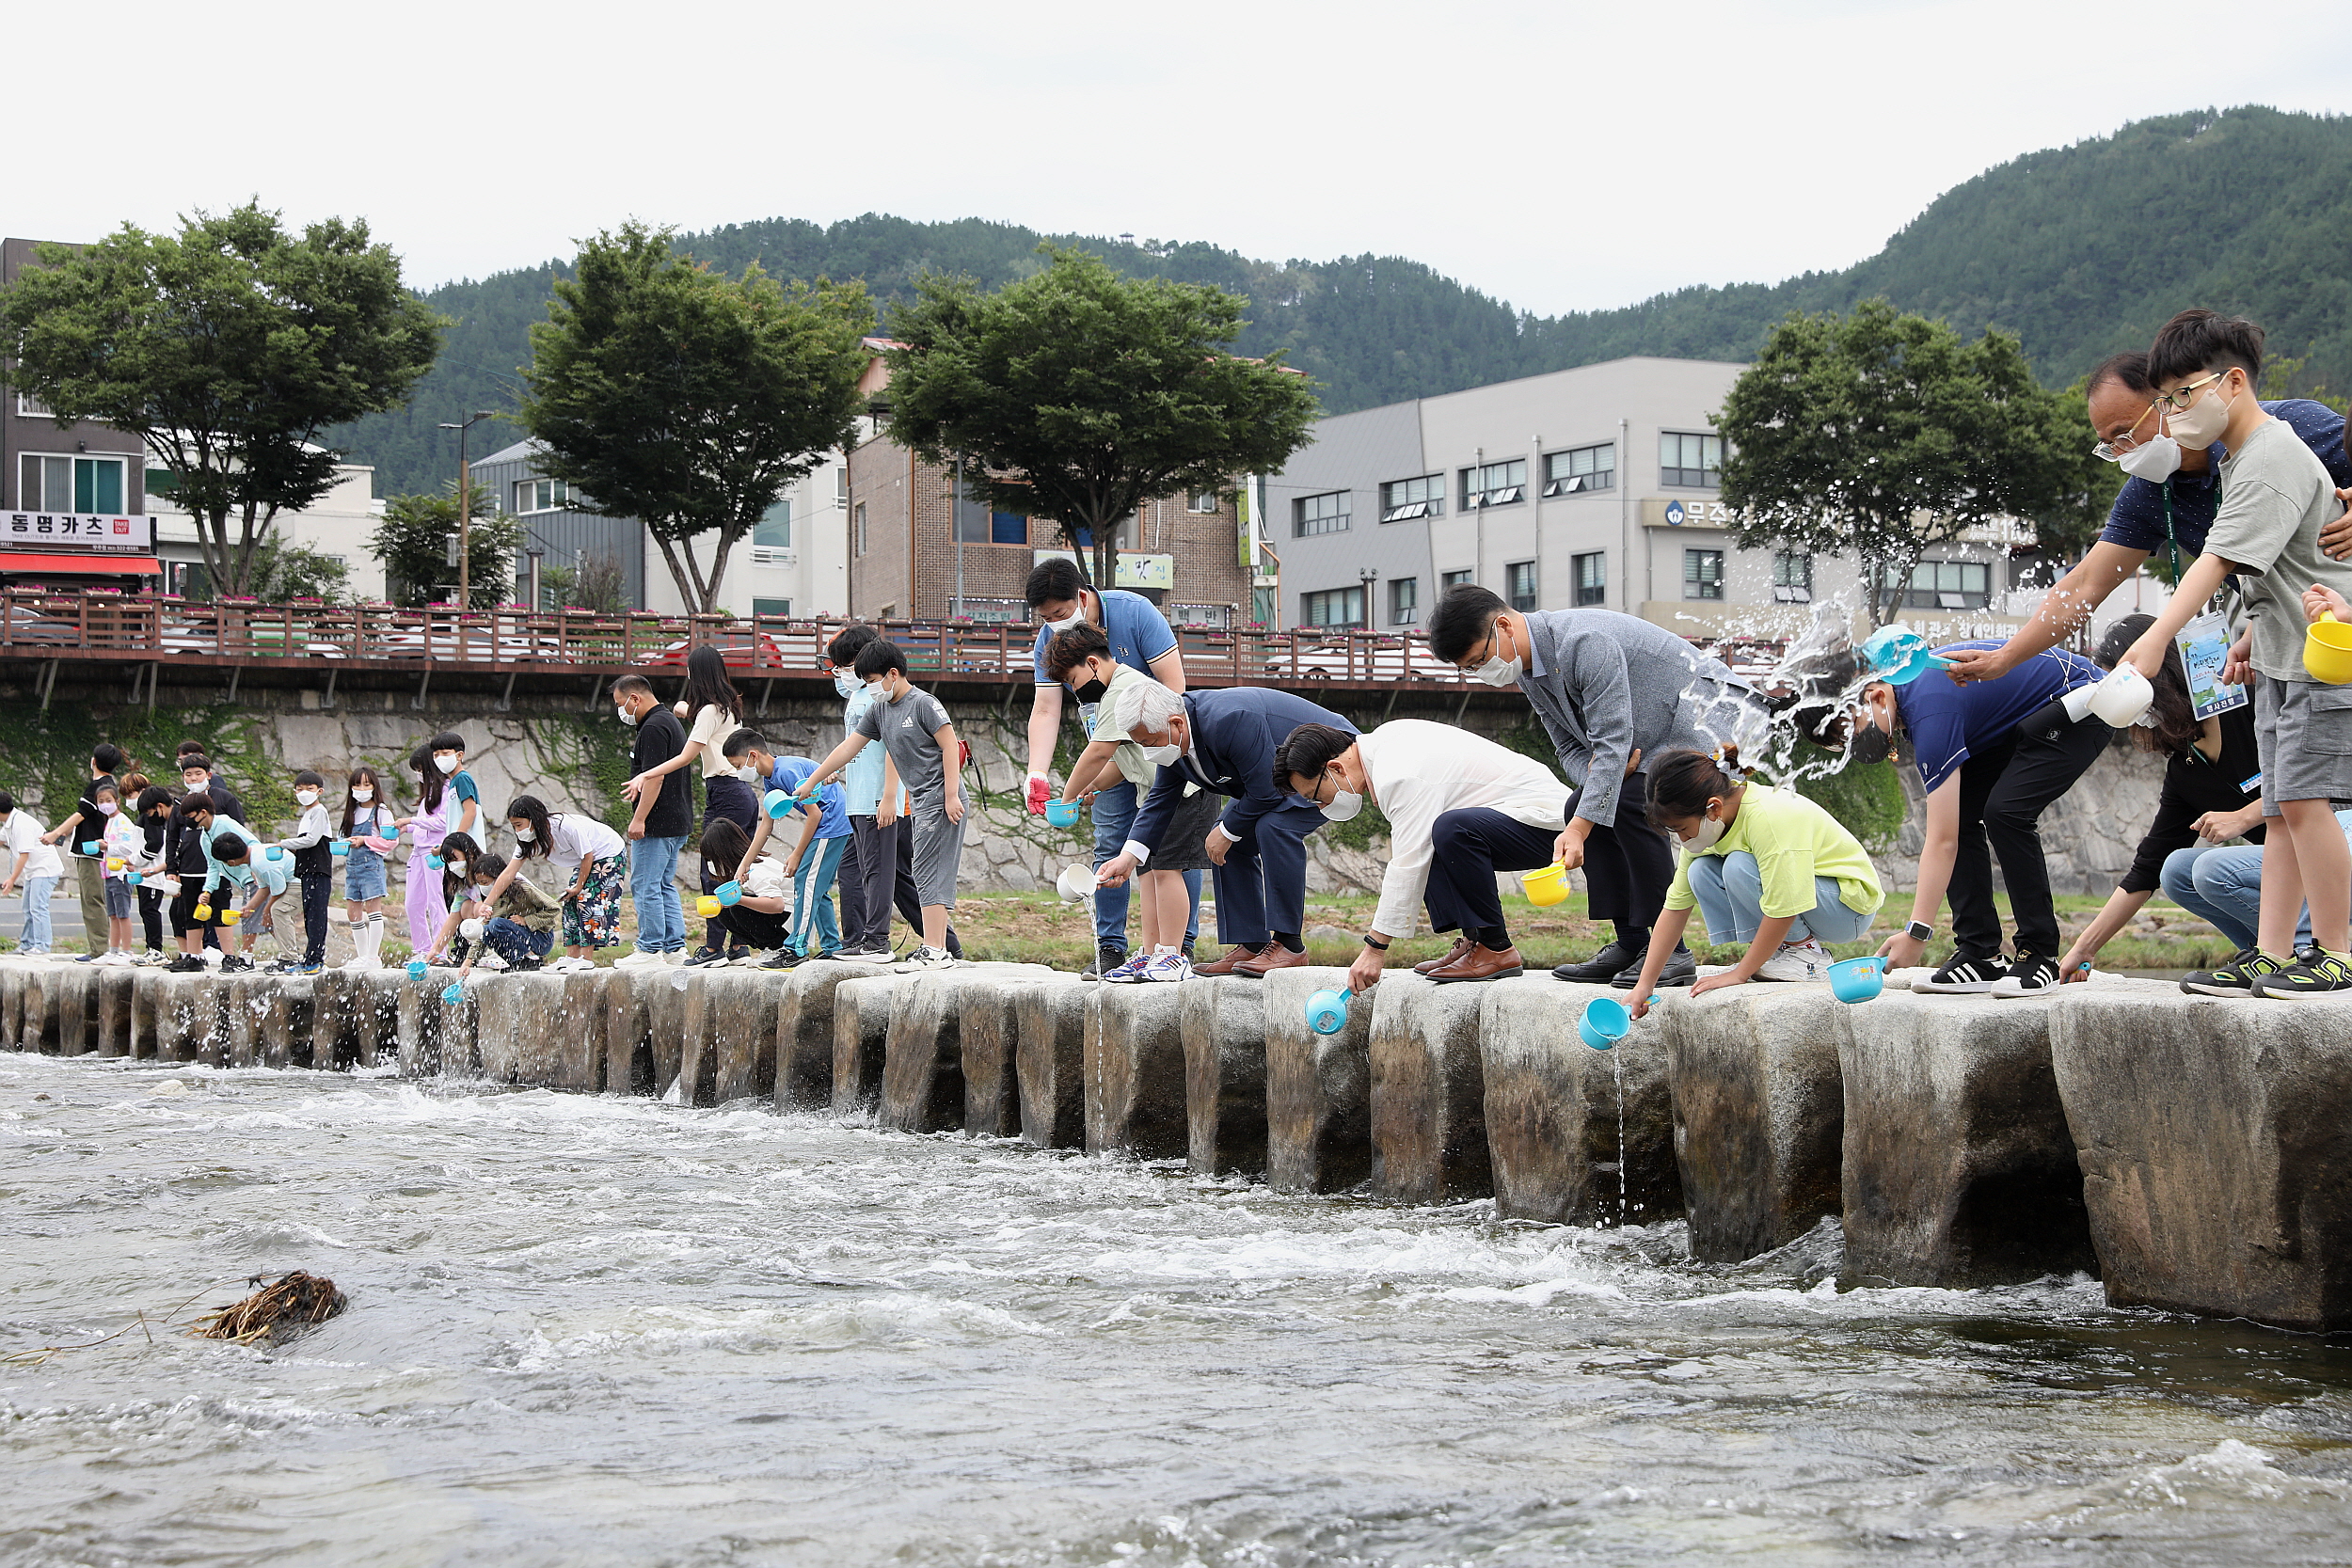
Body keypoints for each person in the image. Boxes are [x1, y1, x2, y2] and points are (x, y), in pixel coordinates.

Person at [2115, 312, 2352, 999]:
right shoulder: (2240, 457)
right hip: (2283, 656)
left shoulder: (2271, 452)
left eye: (2181, 394)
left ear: (2234, 381)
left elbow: (2218, 558)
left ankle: (2336, 949)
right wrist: (2250, 633)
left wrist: (2157, 636)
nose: (2172, 413)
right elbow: (2276, 564)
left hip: (2323, 657)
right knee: (2280, 810)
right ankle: (2272, 953)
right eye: (2165, 400)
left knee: (2304, 804)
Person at [1944, 344, 2352, 689]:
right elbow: (2084, 586)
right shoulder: (2148, 494)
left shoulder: (2288, 428)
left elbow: (2220, 557)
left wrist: (2158, 636)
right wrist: (2007, 657)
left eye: (2125, 434)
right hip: (2284, 639)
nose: (2122, 453)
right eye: (2109, 445)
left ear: (2170, 399)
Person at [1425, 586, 1771, 990]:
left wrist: (1585, 820)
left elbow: (1611, 742)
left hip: (1719, 728)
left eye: (1479, 660)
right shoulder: (1530, 670)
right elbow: (1569, 747)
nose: (1482, 672)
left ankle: (1671, 952)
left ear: (1503, 625)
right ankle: (1631, 941)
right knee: (1582, 805)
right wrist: (1595, 788)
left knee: (1627, 803)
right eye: (1470, 668)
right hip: (1655, 746)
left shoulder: (1584, 642)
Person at [1790, 641, 2104, 996]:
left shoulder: (1930, 709)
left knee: (2006, 813)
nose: (1852, 746)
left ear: (1875, 696)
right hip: (2022, 721)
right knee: (1963, 816)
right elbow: (1949, 828)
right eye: (1840, 745)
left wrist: (1916, 932)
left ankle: (2039, 952)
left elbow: (1942, 842)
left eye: (1850, 732)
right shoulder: (1905, 693)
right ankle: (1980, 952)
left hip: (2082, 702)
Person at [1272, 719, 1572, 990]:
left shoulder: (1397, 773)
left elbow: (1407, 862)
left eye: (1315, 796)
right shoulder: (1384, 744)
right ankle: (1475, 941)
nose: (1321, 806)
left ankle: (1495, 947)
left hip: (1547, 824)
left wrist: (1374, 950)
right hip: (1506, 819)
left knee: (1451, 829)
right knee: (1440, 830)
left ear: (1336, 768)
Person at [2056, 615, 2268, 981]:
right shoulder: (2187, 767)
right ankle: (2267, 953)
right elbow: (2147, 867)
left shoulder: (2247, 698)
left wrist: (2247, 816)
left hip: (2332, 839)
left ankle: (2298, 949)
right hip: (2286, 865)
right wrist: (2085, 947)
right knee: (2177, 871)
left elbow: (2316, 782)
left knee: (2210, 868)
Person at [1094, 680, 1356, 977]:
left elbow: (1269, 792)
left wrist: (1228, 830)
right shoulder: (1171, 740)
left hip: (1327, 763)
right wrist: (1128, 857)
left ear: (1176, 723)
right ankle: (1253, 943)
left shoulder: (1230, 718)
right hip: (1270, 779)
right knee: (1227, 839)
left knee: (1274, 827)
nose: (1148, 752)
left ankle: (1289, 945)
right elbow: (1161, 798)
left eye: (1149, 743)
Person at [1019, 557, 1196, 978]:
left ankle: (1177, 948)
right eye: (1045, 619)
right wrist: (1037, 773)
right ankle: (1129, 949)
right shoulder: (1053, 641)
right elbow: (1046, 710)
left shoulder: (1134, 613)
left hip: (1164, 763)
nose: (1053, 625)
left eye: (1060, 615)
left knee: (1170, 860)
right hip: (1128, 763)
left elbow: (1174, 693)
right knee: (1129, 856)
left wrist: (1067, 792)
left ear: (1081, 598)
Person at [1625, 749, 1884, 1013]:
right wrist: (1645, 986)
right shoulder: (1709, 828)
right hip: (1810, 902)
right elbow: (1674, 909)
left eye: (1681, 829)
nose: (1681, 839)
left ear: (1713, 808)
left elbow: (1785, 906)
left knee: (1739, 866)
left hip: (1847, 909)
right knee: (1700, 870)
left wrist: (1740, 973)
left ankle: (1807, 957)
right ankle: (1776, 954)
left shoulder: (1769, 817)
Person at [1048, 624, 1209, 982]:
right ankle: (1150, 953)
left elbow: (1098, 751)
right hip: (1155, 795)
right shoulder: (1113, 694)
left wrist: (1067, 796)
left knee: (1168, 869)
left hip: (1184, 790)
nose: (1074, 690)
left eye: (1072, 680)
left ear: (1092, 664)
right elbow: (1119, 765)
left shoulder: (1123, 689)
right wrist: (1092, 787)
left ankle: (1173, 954)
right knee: (1148, 872)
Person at [796, 641, 966, 973]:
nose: (871, 688)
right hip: (921, 799)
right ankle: (938, 948)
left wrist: (950, 795)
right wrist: (813, 780)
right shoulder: (880, 710)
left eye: (873, 680)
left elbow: (949, 745)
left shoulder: (923, 704)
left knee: (931, 870)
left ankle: (936, 949)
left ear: (892, 673)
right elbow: (848, 748)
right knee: (923, 870)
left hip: (941, 797)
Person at [627, 647, 755, 961]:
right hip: (741, 795)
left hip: (723, 796)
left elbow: (685, 756)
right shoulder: (728, 707)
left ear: (696, 675)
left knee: (711, 874)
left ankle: (713, 948)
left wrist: (645, 774)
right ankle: (739, 946)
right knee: (735, 872)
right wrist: (683, 708)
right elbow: (693, 713)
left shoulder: (710, 712)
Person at [720, 729, 850, 969]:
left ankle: (796, 949)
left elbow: (815, 814)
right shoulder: (770, 779)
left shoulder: (786, 772)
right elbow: (766, 824)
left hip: (831, 824)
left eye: (738, 765)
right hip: (827, 826)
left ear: (753, 756)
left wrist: (796, 854)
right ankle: (832, 948)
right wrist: (744, 864)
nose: (739, 772)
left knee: (805, 882)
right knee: (816, 887)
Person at [489, 795, 630, 973]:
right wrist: (487, 904)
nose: (518, 831)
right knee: (570, 901)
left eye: (519, 825)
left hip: (608, 852)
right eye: (514, 826)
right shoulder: (528, 840)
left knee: (587, 900)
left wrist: (579, 886)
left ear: (533, 818)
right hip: (586, 861)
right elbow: (509, 873)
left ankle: (586, 959)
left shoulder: (565, 826)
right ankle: (571, 958)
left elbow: (588, 855)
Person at [612, 673, 694, 968]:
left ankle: (649, 948)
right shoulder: (669, 721)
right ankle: (674, 947)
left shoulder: (654, 727)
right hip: (677, 819)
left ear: (635, 698)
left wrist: (639, 819)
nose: (621, 711)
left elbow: (655, 776)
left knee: (646, 885)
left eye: (622, 704)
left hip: (657, 822)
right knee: (663, 885)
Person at [40, 742, 122, 962]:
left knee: (92, 898)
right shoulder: (108, 784)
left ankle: (99, 950)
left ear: (93, 761)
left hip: (91, 851)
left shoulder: (97, 786)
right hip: (94, 848)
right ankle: (101, 947)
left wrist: (54, 833)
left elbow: (81, 814)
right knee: (94, 898)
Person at [431, 852, 563, 977]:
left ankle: (531, 959)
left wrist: (527, 920)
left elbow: (554, 908)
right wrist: (468, 961)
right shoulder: (492, 900)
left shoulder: (524, 889)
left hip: (540, 939)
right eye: (480, 884)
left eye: (485, 883)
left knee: (496, 924)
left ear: (498, 877)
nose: (483, 887)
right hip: (520, 938)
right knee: (487, 929)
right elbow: (483, 933)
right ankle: (516, 961)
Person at [394, 740, 463, 961]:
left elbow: (442, 822)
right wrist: (408, 827)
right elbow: (425, 822)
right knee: (412, 903)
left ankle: (439, 951)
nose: (418, 775)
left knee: (436, 901)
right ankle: (422, 949)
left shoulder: (446, 790)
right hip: (418, 852)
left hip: (434, 853)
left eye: (420, 770)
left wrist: (412, 819)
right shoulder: (427, 795)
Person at [267, 769, 337, 975]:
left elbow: (312, 840)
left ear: (319, 791)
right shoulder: (307, 814)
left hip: (318, 870)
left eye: (309, 789)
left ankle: (315, 960)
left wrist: (282, 844)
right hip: (308, 870)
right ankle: (309, 959)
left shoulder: (319, 811)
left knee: (316, 914)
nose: (304, 792)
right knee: (309, 915)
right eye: (299, 789)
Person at [694, 819, 792, 964]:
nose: (711, 864)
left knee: (738, 908)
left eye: (713, 859)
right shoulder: (743, 871)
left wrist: (738, 899)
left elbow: (777, 905)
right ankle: (769, 948)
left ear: (724, 854)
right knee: (726, 911)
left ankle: (778, 948)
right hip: (783, 919)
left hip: (791, 922)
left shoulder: (757, 870)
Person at [196, 825, 289, 973]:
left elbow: (277, 889)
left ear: (231, 862)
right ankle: (290, 954)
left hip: (277, 883)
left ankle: (247, 959)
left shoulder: (257, 862)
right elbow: (267, 888)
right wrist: (208, 890)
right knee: (268, 919)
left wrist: (266, 909)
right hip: (263, 881)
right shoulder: (205, 836)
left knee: (259, 916)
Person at [340, 766, 398, 971]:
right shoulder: (352, 811)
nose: (361, 788)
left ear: (374, 786)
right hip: (351, 867)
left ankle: (373, 957)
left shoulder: (381, 811)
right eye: (357, 784)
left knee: (373, 911)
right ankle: (362, 955)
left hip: (370, 865)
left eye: (366, 784)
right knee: (353, 912)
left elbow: (391, 841)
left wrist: (365, 840)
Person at [0, 790, 66, 957]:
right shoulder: (9, 822)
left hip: (44, 869)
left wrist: (12, 879)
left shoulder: (21, 824)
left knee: (37, 907)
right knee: (28, 908)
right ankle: (27, 944)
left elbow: (24, 854)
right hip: (33, 870)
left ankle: (43, 945)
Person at [92, 781, 141, 965]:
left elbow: (130, 846)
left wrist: (108, 847)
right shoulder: (110, 821)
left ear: (117, 801)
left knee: (123, 913)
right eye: (101, 801)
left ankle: (127, 950)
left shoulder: (123, 821)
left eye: (108, 800)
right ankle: (113, 950)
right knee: (112, 914)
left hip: (120, 873)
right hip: (108, 873)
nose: (104, 804)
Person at [128, 779, 169, 960]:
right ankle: (150, 947)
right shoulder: (145, 815)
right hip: (143, 872)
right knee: (145, 909)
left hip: (153, 871)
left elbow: (155, 844)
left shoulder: (152, 816)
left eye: (131, 794)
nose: (129, 800)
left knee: (150, 909)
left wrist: (134, 860)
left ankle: (156, 949)